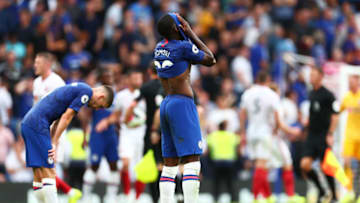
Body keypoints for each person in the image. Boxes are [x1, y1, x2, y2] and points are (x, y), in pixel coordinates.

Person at [154, 13, 216, 203]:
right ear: (176, 28)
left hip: (166, 104)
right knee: (192, 161)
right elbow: (210, 59)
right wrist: (191, 33)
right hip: (182, 105)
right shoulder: (183, 47)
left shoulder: (159, 48)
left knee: (170, 164)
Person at [21, 82, 114, 203]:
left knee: (39, 174)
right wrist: (54, 142)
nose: (97, 108)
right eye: (100, 106)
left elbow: (58, 119)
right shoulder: (86, 92)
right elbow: (66, 117)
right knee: (49, 171)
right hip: (38, 124)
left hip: (29, 123)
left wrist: (53, 140)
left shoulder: (78, 89)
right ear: (101, 96)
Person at [239, 71, 299, 203]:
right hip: (267, 134)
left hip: (251, 133)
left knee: (263, 165)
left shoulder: (248, 93)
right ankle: (257, 197)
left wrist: (243, 131)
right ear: (268, 80)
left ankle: (267, 196)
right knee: (267, 164)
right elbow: (278, 122)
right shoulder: (271, 96)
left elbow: (242, 113)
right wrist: (290, 131)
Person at [32, 52, 82, 203]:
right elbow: (35, 108)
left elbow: (62, 112)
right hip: (39, 131)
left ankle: (69, 191)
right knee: (40, 170)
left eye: (38, 62)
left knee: (48, 169)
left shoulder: (57, 82)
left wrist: (55, 138)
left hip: (53, 131)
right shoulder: (36, 82)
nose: (35, 65)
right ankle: (70, 191)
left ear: (47, 64)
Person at [96, 69, 146, 202]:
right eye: (135, 77)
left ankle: (138, 197)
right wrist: (106, 121)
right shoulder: (121, 96)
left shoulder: (145, 94)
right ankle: (127, 194)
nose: (138, 80)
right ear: (129, 79)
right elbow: (117, 115)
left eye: (140, 78)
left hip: (142, 133)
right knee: (125, 163)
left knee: (141, 167)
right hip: (127, 133)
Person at [300, 67, 339, 202]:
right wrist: (306, 124)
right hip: (311, 135)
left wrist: (330, 134)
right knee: (304, 164)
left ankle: (334, 195)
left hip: (323, 135)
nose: (311, 77)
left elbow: (335, 116)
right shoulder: (311, 93)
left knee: (326, 167)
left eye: (313, 74)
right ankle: (322, 191)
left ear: (321, 77)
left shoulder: (328, 95)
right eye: (310, 74)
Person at [81, 69, 119, 203]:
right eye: (107, 75)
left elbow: (118, 114)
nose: (110, 77)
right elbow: (86, 117)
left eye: (111, 75)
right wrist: (84, 136)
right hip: (97, 136)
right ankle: (86, 197)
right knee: (94, 165)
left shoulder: (116, 94)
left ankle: (111, 197)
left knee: (114, 164)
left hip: (111, 135)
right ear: (101, 78)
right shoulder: (95, 95)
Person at [206, 121, 240, 203]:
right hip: (230, 163)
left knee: (216, 183)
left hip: (217, 163)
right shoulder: (232, 136)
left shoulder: (212, 136)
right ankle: (234, 199)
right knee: (231, 183)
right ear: (225, 127)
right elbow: (238, 149)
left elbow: (208, 150)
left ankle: (216, 199)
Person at [339, 75, 360, 203]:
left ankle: (357, 193)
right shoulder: (346, 98)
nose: (349, 84)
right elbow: (337, 112)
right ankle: (350, 191)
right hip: (350, 136)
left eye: (351, 81)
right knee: (347, 163)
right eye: (348, 82)